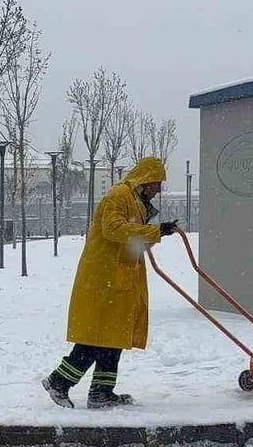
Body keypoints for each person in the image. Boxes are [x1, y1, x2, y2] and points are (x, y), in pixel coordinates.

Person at [42, 156, 179, 409]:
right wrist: (155, 231)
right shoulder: (119, 195)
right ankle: (58, 381)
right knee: (98, 336)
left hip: (120, 277)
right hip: (103, 278)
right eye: (157, 183)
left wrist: (159, 232)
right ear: (146, 180)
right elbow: (113, 229)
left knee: (114, 335)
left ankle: (101, 392)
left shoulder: (135, 201)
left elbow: (130, 238)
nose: (158, 190)